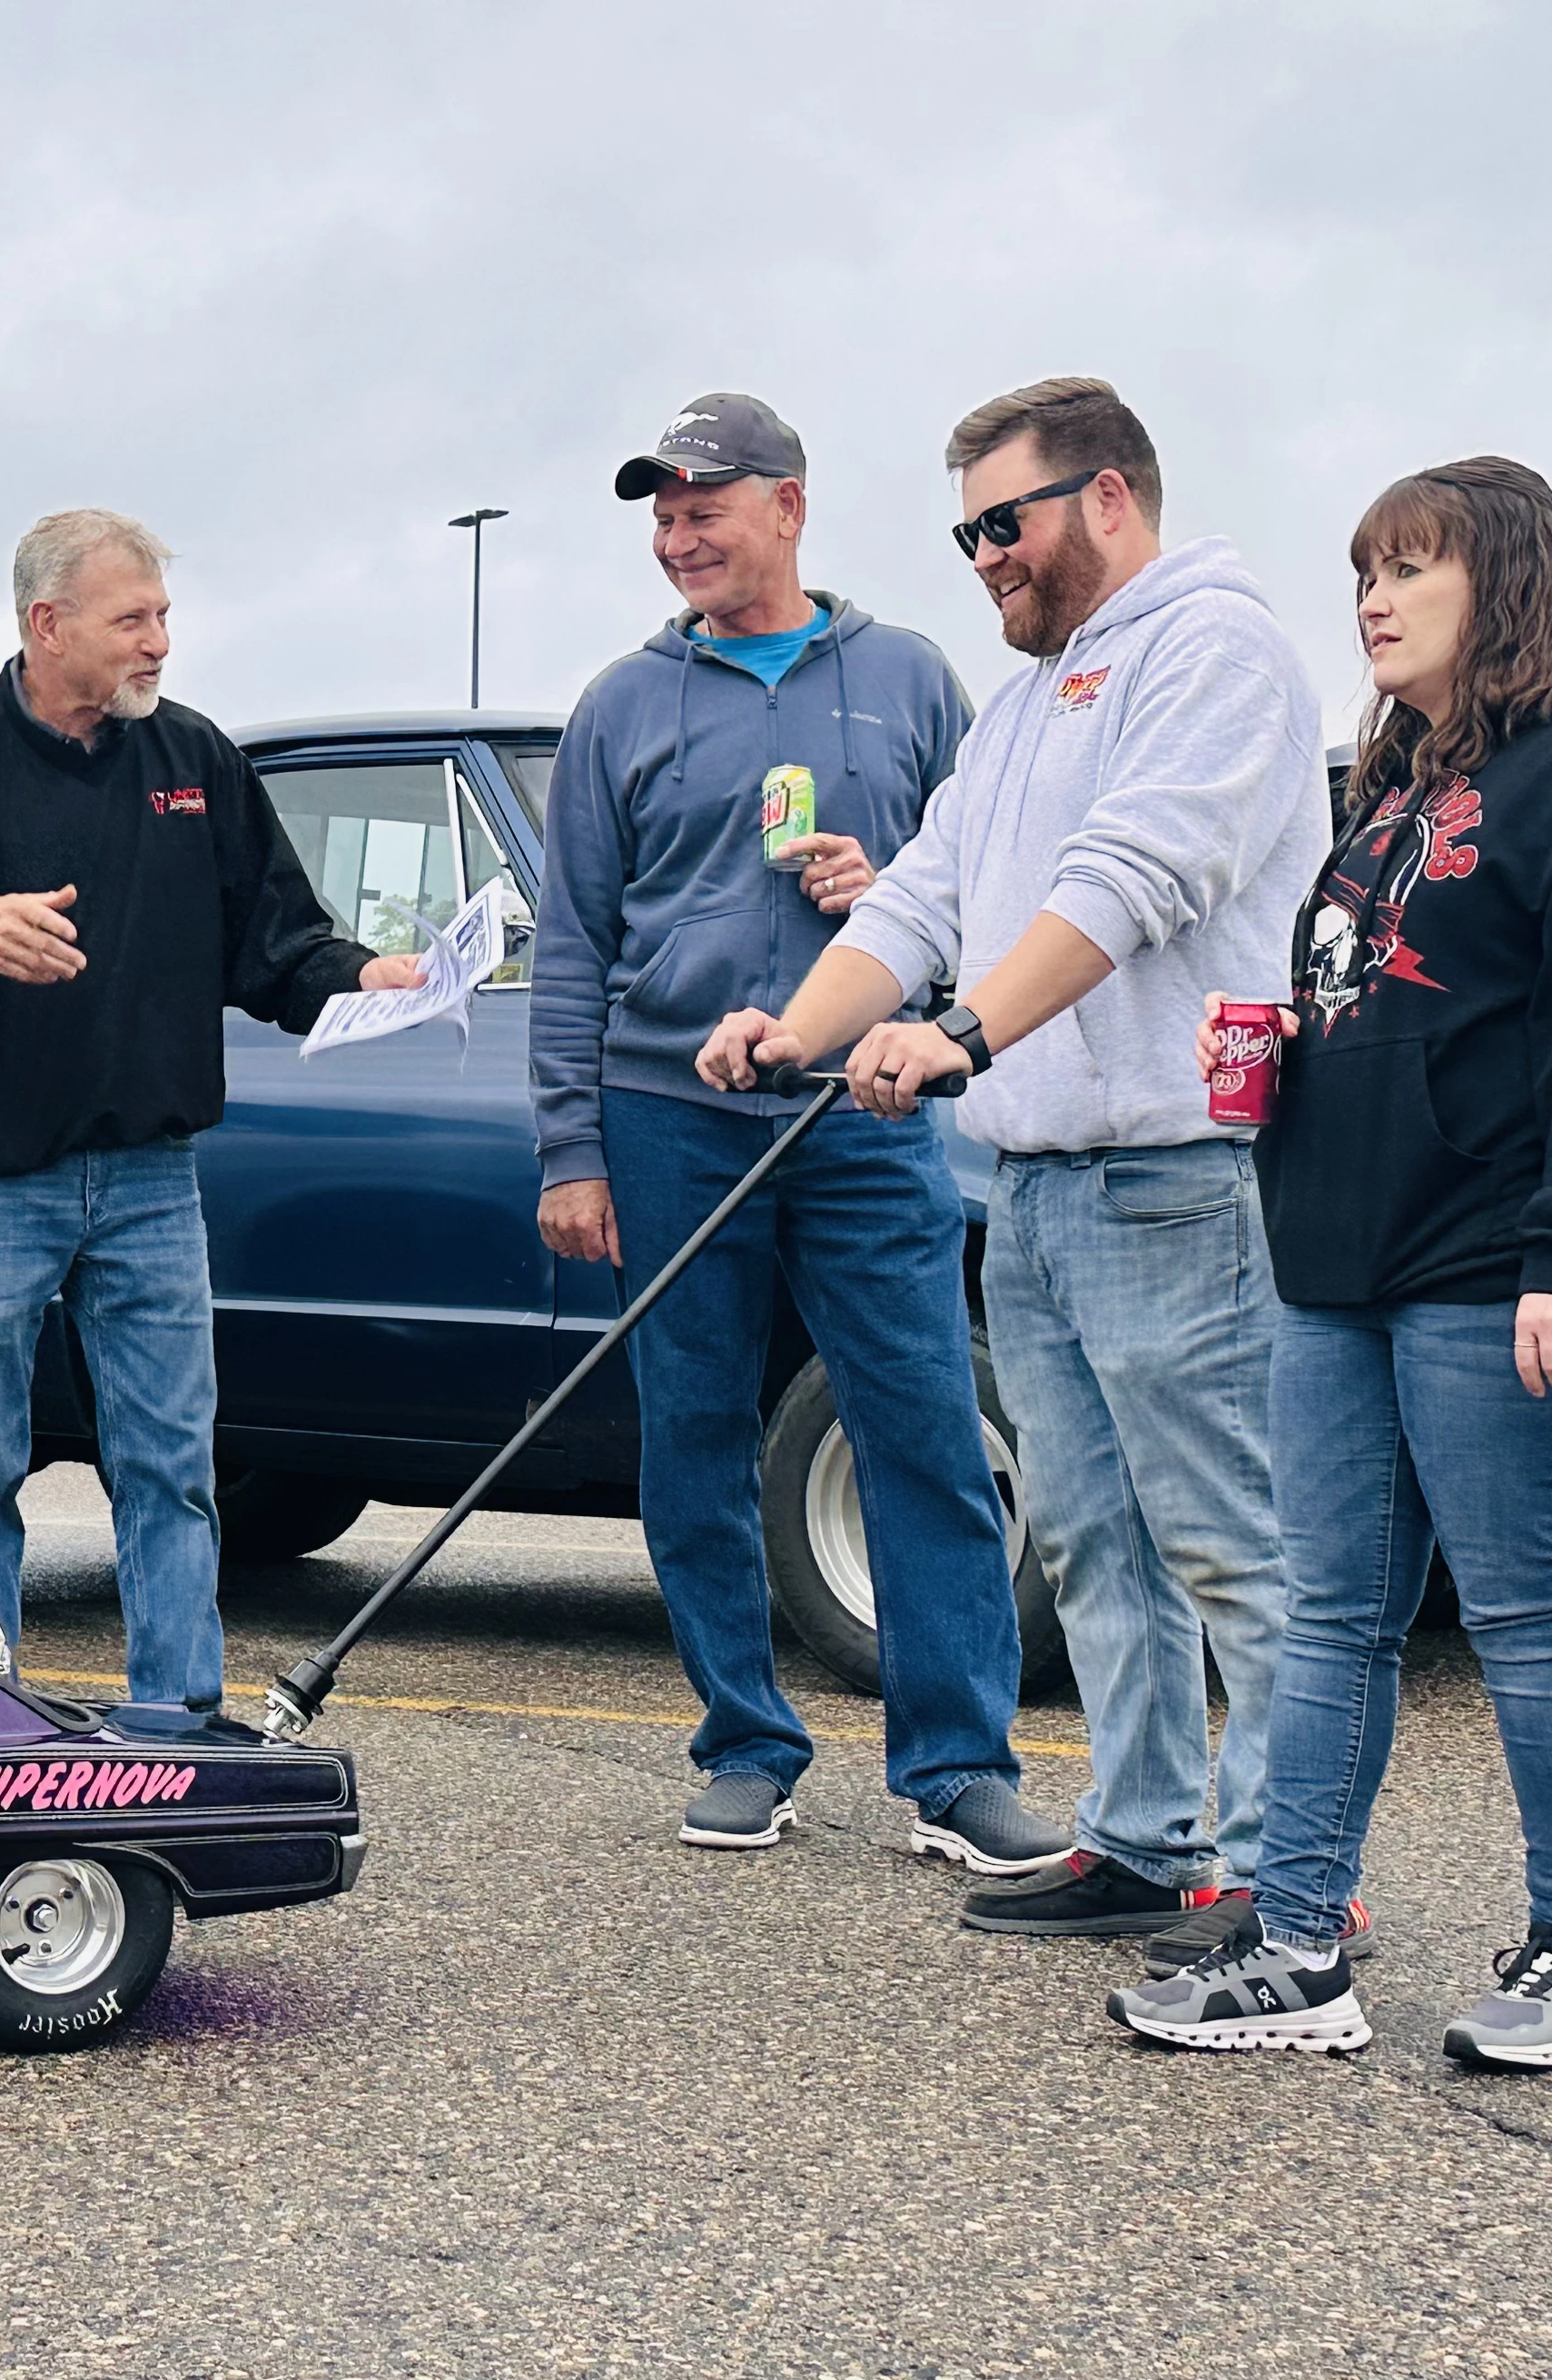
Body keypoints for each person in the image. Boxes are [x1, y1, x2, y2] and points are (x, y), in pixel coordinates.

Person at [700, 377, 1338, 1950]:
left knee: (1227, 1543)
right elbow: (918, 902)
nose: (980, 554)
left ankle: (1281, 1878)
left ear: (1107, 496)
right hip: (1042, 1183)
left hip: (1177, 1174)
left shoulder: (1212, 645)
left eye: (1005, 521)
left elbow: (1139, 880)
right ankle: (1142, 1839)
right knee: (1091, 1539)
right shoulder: (1028, 698)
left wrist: (962, 1038)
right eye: (964, 529)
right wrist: (793, 1029)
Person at [1109, 460, 1552, 2067]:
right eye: (1363, 571)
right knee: (1331, 1617)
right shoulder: (1387, 788)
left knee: (1518, 1608)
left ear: (1501, 581)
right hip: (1347, 1269)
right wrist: (1277, 1066)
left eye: (1410, 569)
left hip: (1511, 1267)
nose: (1370, 599)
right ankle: (1295, 1951)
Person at [532, 391, 1068, 1868]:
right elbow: (573, 942)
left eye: (705, 503)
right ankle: (745, 1746)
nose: (679, 533)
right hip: (667, 1113)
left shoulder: (905, 677)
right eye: (661, 511)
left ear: (789, 506)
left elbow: (994, 894)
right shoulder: (618, 706)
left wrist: (887, 894)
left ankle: (957, 1766)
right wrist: (569, 1151)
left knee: (919, 1424)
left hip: (865, 1113)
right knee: (692, 1433)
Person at [0, 509, 420, 1719]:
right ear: (49, 625)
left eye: (164, 618)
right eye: (133, 620)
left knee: (171, 1467)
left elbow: (277, 943)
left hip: (150, 1180)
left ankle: (175, 1716)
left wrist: (366, 978)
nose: (160, 644)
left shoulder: (193, 765)